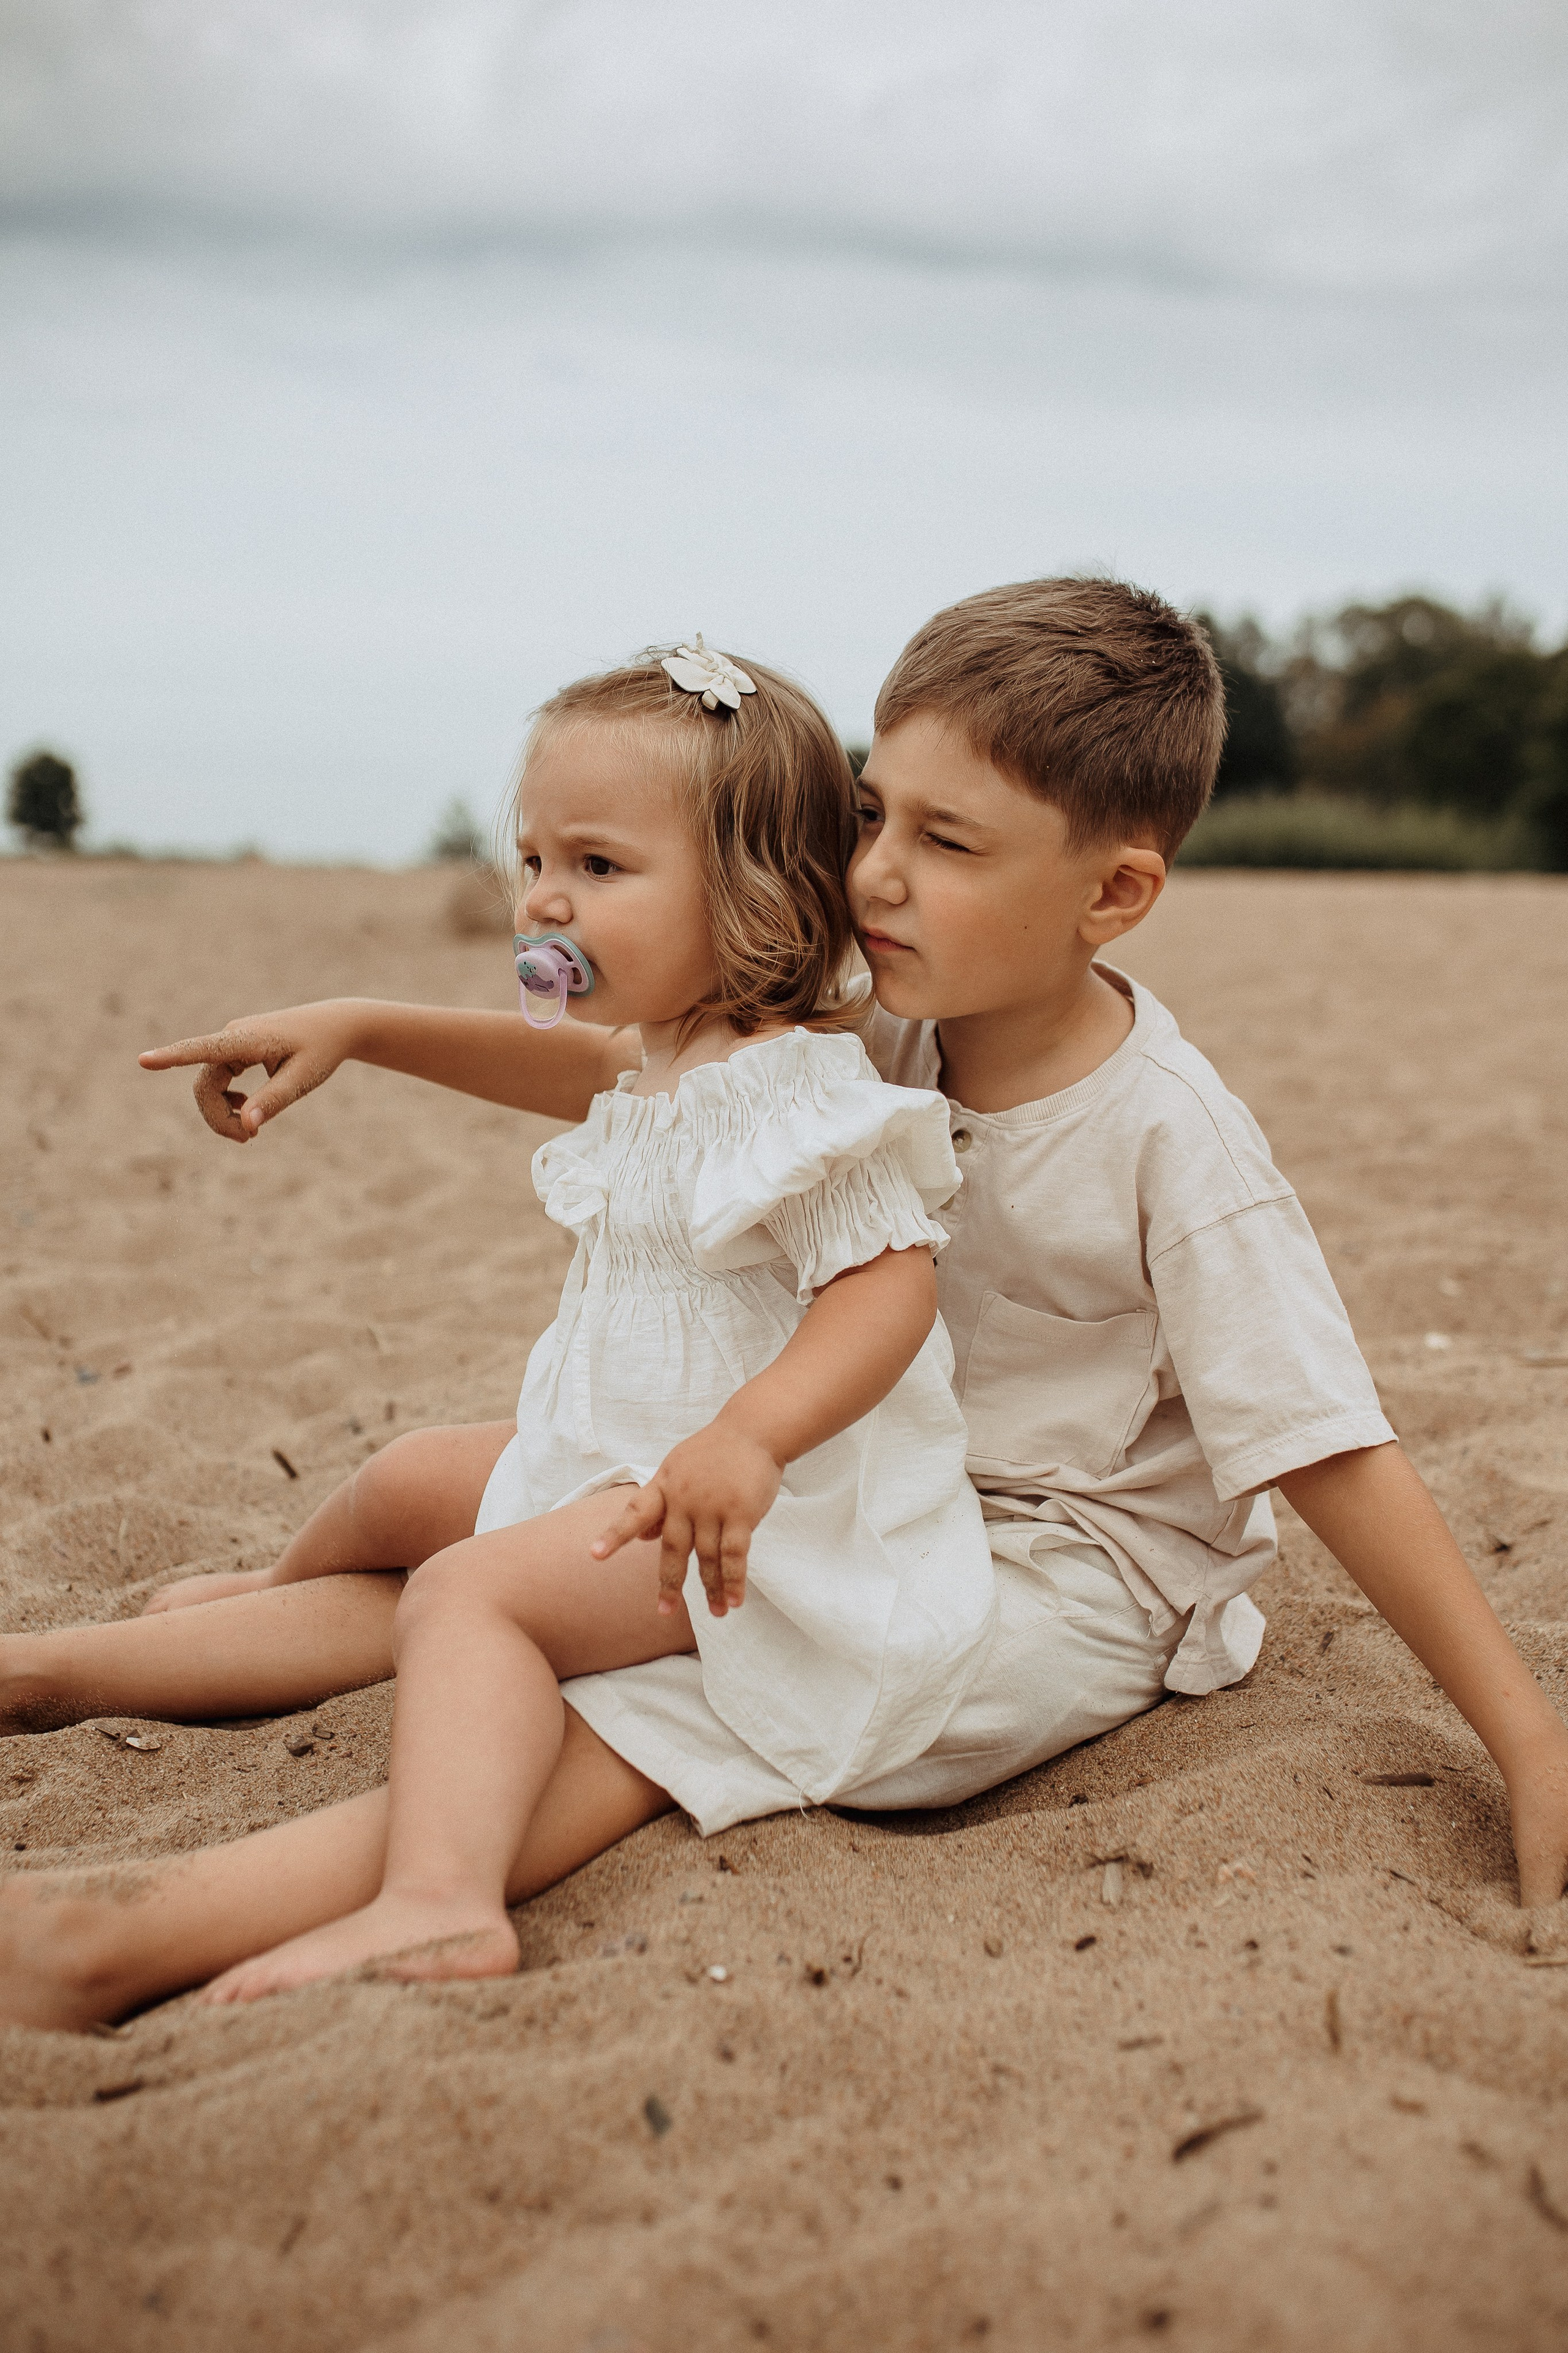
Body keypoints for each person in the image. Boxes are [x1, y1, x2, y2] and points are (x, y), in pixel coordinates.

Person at [6, 578, 1566, 2033]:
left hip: (1050, 1571)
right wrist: (361, 1025)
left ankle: (137, 1935)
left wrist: (1525, 1739)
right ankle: (56, 1667)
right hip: (853, 1472)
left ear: (1112, 892)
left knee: (624, 1689)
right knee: (438, 1497)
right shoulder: (893, 1028)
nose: (872, 872)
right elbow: (625, 1069)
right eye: (872, 812)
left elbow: (1324, 1443)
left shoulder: (1172, 1140)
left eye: (947, 843)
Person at [0, 638, 996, 2015]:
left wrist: (752, 1437)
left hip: (753, 1533)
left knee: (464, 1591)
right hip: (621, 1458)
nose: (542, 899)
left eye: (597, 865)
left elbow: (888, 1286)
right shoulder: (670, 1053)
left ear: (752, 889)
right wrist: (356, 1024)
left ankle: (440, 1900)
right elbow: (559, 1059)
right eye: (531, 857)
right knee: (409, 1480)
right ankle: (228, 1615)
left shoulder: (794, 1092)